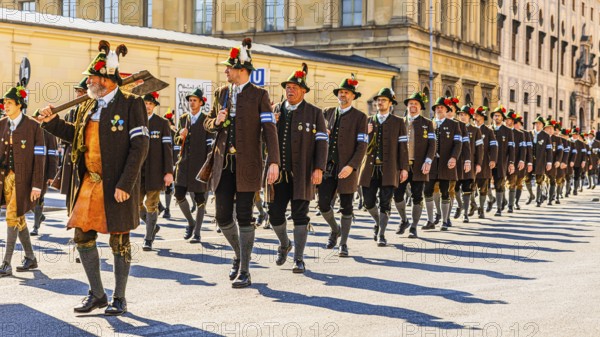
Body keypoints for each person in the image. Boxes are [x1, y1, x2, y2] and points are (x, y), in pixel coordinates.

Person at [38, 40, 149, 315]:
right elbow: (73, 134)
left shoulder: (132, 104)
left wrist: (125, 184)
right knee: (82, 237)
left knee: (119, 241)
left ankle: (119, 297)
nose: (87, 82)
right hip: (90, 182)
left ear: (107, 80)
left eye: (92, 77)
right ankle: (97, 294)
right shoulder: (89, 105)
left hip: (118, 185)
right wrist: (50, 121)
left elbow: (140, 147)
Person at [204, 38, 280, 288]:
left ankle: (245, 269)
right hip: (223, 163)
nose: (225, 71)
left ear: (241, 70)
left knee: (246, 216)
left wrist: (274, 161)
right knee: (223, 216)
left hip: (248, 164)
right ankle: (239, 253)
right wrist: (216, 122)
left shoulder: (260, 95)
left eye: (229, 67)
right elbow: (208, 123)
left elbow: (270, 129)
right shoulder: (221, 93)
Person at [268, 63, 328, 272]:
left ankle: (299, 258)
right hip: (278, 174)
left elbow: (322, 142)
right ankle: (284, 244)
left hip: (302, 173)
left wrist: (319, 168)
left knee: (300, 215)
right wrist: (271, 125)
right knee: (274, 214)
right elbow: (263, 138)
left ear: (303, 91)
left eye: (294, 87)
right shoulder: (274, 110)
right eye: (287, 87)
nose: (290, 90)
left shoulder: (314, 113)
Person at [319, 74, 367, 256]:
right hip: (327, 167)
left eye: (346, 92)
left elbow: (362, 145)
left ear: (353, 95)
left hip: (347, 167)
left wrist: (352, 166)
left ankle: (344, 243)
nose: (343, 95)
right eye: (340, 92)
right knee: (323, 204)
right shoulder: (327, 112)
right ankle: (335, 229)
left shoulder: (360, 117)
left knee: (346, 206)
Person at [0, 85, 46, 277]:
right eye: (4, 103)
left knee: (12, 216)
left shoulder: (33, 126)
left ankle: (6, 263)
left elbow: (40, 157)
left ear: (19, 104)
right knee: (19, 217)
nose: (6, 106)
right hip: (7, 179)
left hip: (25, 181)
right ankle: (30, 257)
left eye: (9, 103)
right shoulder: (1, 124)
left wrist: (37, 185)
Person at [359, 88, 408, 245]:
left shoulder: (398, 122)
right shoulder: (367, 121)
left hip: (390, 168)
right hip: (369, 168)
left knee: (385, 202)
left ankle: (381, 234)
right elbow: (359, 145)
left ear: (390, 103)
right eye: (378, 100)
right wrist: (366, 134)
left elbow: (403, 147)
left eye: (383, 100)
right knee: (368, 202)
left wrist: (404, 168)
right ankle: (378, 222)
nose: (380, 102)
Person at [394, 92, 435, 238]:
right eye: (410, 103)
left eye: (416, 104)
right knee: (397, 195)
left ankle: (414, 226)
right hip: (402, 165)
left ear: (420, 107)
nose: (413, 106)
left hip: (419, 166)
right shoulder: (400, 122)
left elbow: (432, 145)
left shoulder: (427, 123)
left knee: (417, 196)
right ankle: (404, 219)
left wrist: (428, 161)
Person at [174, 88, 213, 242]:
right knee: (178, 194)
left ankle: (197, 233)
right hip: (183, 164)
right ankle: (191, 223)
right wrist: (180, 135)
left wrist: (208, 167)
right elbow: (177, 141)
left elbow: (210, 144)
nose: (191, 103)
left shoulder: (206, 119)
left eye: (194, 100)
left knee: (200, 200)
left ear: (201, 102)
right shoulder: (183, 118)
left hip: (199, 164)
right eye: (190, 100)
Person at [422, 97, 462, 231]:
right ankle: (430, 220)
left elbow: (458, 144)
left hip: (446, 164)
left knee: (445, 192)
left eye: (442, 107)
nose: (439, 109)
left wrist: (454, 158)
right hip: (431, 164)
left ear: (446, 110)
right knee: (427, 191)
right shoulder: (429, 124)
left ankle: (445, 220)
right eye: (437, 107)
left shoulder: (453, 125)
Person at [140, 92, 174, 250]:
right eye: (145, 103)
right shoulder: (135, 121)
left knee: (151, 205)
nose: (147, 106)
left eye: (150, 104)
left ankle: (148, 239)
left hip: (155, 170)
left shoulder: (162, 123)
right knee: (134, 205)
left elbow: (167, 149)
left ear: (154, 106)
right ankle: (151, 225)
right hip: (137, 171)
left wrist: (169, 172)